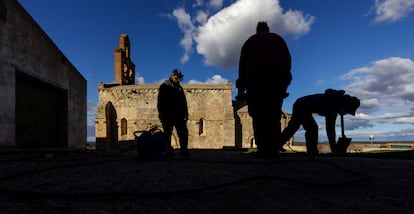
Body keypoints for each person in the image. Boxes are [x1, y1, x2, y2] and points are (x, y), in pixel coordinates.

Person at [236, 21, 292, 158]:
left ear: (257, 30)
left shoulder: (250, 41)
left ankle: (262, 149)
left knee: (258, 114)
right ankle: (273, 149)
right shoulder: (278, 39)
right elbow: (288, 60)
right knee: (273, 114)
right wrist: (284, 82)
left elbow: (242, 64)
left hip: (255, 79)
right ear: (267, 29)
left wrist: (241, 87)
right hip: (277, 78)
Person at [279, 89, 360, 155]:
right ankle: (312, 152)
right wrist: (333, 148)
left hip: (302, 105)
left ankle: (277, 144)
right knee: (309, 128)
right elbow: (330, 129)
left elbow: (330, 128)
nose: (345, 113)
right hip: (301, 105)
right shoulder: (332, 105)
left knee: (299, 127)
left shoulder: (336, 102)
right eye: (347, 111)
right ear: (345, 105)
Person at [157, 69, 190, 157]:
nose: (178, 79)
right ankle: (168, 151)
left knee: (183, 133)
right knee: (167, 133)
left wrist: (186, 113)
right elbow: (160, 101)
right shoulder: (165, 86)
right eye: (177, 77)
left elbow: (184, 102)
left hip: (179, 115)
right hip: (168, 115)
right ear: (172, 75)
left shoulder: (179, 88)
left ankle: (184, 151)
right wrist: (161, 113)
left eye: (180, 78)